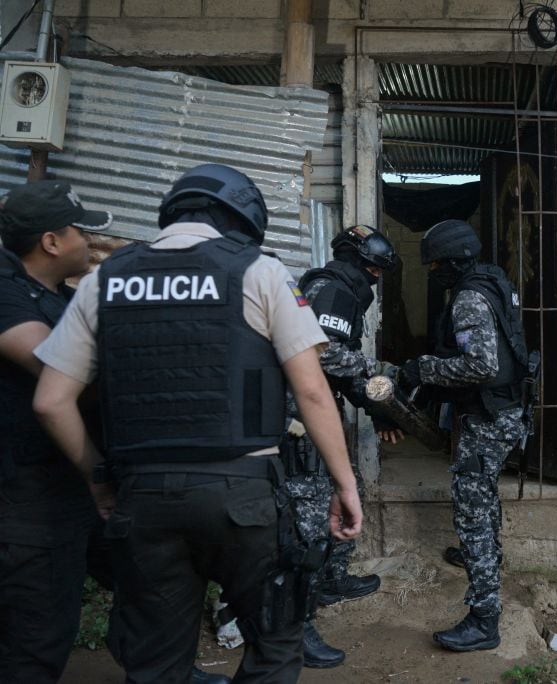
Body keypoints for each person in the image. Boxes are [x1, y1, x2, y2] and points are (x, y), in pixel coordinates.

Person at [32, 163, 363, 684]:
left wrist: (99, 478)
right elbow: (312, 390)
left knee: (157, 660)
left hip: (143, 499)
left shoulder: (104, 280)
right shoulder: (260, 270)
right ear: (241, 221)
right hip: (243, 497)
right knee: (275, 643)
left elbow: (51, 401)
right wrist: (345, 485)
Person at [397, 219, 530, 652]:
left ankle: (484, 618)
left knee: (471, 509)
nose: (433, 270)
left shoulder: (470, 297)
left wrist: (424, 367)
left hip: (488, 417)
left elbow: (481, 365)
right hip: (507, 410)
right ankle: (486, 557)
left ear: (452, 261)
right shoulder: (495, 281)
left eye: (436, 263)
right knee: (485, 496)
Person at [0, 181, 111, 684]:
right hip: (29, 496)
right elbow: (51, 368)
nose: (90, 242)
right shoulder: (6, 293)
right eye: (80, 232)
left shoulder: (61, 296)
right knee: (37, 634)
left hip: (71, 487)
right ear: (50, 242)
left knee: (142, 578)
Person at [282, 223, 402, 668]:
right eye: (372, 268)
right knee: (309, 523)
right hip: (298, 418)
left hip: (317, 412)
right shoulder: (332, 290)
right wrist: (377, 370)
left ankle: (332, 580)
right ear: (357, 263)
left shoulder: (339, 288)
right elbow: (322, 353)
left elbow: (338, 369)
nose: (374, 276)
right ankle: (296, 626)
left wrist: (376, 407)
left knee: (343, 488)